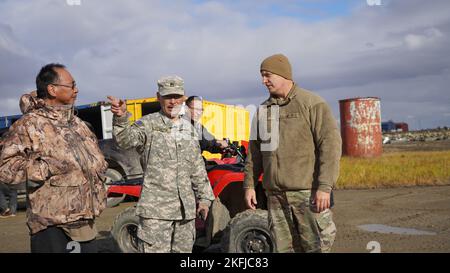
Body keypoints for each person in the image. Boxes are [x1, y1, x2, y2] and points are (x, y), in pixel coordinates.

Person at [0, 64, 108, 253]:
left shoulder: (78, 124)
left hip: (85, 222)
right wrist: (44, 168)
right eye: (71, 85)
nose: (76, 90)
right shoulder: (30, 124)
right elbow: (6, 168)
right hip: (52, 226)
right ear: (52, 89)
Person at [243, 54, 342, 253]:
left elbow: (330, 146)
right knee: (282, 249)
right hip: (275, 196)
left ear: (283, 74)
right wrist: (250, 185)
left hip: (307, 194)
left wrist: (324, 186)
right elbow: (254, 152)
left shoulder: (312, 103)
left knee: (316, 247)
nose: (264, 81)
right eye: (262, 76)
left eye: (267, 75)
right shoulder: (263, 111)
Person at [108, 76, 215, 253]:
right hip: (156, 214)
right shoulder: (148, 124)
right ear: (158, 97)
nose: (172, 101)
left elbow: (197, 166)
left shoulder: (189, 128)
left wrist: (204, 199)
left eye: (177, 96)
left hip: (185, 213)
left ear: (183, 97)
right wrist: (120, 118)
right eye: (167, 97)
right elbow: (125, 141)